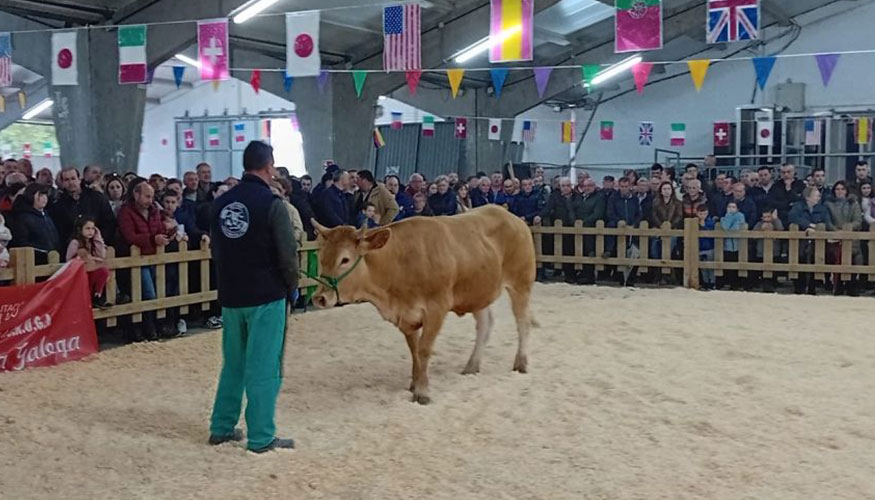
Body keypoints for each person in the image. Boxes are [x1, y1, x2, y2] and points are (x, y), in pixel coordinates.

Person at [209, 141, 298, 454]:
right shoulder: (273, 205)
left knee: (233, 363)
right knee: (263, 366)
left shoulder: (221, 204)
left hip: (231, 295)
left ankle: (221, 426)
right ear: (269, 166)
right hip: (266, 294)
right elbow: (287, 253)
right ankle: (261, 436)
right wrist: (292, 286)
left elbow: (215, 250)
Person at [117, 181, 168, 341]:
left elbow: (159, 229)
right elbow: (130, 236)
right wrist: (153, 239)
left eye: (152, 196)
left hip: (153, 256)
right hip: (137, 258)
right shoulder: (125, 212)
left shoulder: (154, 211)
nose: (150, 200)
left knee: (155, 292)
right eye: (147, 196)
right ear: (136, 195)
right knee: (148, 293)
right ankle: (149, 327)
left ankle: (151, 326)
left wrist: (167, 233)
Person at [49, 167, 116, 247]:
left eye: (73, 178)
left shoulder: (97, 198)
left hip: (99, 245)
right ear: (62, 183)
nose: (71, 183)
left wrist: (99, 241)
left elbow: (109, 222)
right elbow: (60, 231)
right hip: (72, 248)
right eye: (67, 180)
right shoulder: (58, 206)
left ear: (79, 179)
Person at [534, 177, 581, 284]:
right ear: (559, 187)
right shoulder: (555, 196)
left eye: (568, 185)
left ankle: (574, 275)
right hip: (561, 227)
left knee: (575, 251)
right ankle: (567, 275)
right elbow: (548, 207)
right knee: (564, 250)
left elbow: (580, 209)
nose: (566, 188)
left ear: (571, 186)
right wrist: (539, 216)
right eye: (563, 186)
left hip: (576, 227)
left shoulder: (576, 196)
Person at [789, 187, 833, 295]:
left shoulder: (822, 208)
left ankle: (812, 287)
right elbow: (793, 217)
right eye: (816, 195)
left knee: (815, 258)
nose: (818, 197)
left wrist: (815, 228)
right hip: (800, 239)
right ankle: (799, 286)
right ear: (808, 197)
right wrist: (808, 225)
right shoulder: (798, 206)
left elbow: (826, 222)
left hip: (817, 240)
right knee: (800, 258)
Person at [825, 181, 863, 296]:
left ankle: (852, 285)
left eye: (842, 189)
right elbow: (827, 221)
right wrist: (837, 232)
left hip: (851, 238)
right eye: (837, 189)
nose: (840, 191)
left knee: (855, 256)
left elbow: (858, 221)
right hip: (834, 238)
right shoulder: (828, 204)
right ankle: (838, 284)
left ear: (846, 191)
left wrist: (846, 230)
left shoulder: (854, 203)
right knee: (835, 256)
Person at [66, 216, 112, 309]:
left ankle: (97, 296)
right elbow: (70, 260)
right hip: (79, 274)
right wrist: (90, 259)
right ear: (80, 229)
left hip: (91, 271)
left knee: (103, 271)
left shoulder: (92, 242)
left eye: (93, 228)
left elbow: (101, 255)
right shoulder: (75, 243)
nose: (90, 231)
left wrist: (98, 237)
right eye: (87, 228)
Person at [9, 184, 60, 264]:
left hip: (53, 260)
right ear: (31, 196)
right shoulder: (24, 218)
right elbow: (22, 242)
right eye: (40, 195)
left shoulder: (47, 216)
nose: (44, 198)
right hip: (34, 262)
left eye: (45, 195)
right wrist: (44, 251)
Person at [752, 207, 784, 293]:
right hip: (761, 251)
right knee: (764, 270)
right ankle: (765, 285)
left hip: (774, 251)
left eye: (768, 217)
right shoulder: (759, 224)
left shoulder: (776, 223)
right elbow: (753, 235)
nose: (766, 219)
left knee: (774, 269)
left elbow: (781, 230)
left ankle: (773, 283)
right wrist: (761, 229)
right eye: (764, 217)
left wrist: (776, 219)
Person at [720, 200, 746, 291]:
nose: (731, 209)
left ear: (737, 208)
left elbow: (735, 229)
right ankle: (729, 283)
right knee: (728, 265)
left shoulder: (740, 216)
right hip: (727, 245)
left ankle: (737, 284)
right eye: (729, 207)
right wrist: (728, 216)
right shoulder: (724, 217)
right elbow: (726, 227)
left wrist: (728, 219)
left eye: (733, 207)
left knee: (737, 265)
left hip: (738, 245)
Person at [770, 163, 805, 227]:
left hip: (797, 216)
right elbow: (772, 202)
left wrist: (789, 190)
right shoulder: (776, 186)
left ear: (794, 172)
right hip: (780, 216)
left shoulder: (801, 184)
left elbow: (801, 200)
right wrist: (788, 204)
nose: (786, 174)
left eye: (788, 172)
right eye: (783, 172)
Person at [696, 204, 717, 290]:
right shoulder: (694, 222)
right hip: (699, 247)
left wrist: (703, 225)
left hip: (709, 247)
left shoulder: (711, 222)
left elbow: (710, 230)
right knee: (703, 267)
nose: (702, 216)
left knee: (710, 266)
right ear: (697, 213)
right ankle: (705, 282)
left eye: (704, 213)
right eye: (701, 214)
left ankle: (712, 282)